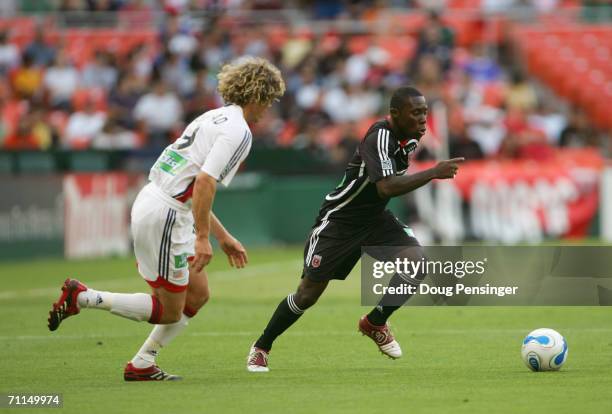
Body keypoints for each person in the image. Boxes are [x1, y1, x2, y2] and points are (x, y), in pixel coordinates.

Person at [47, 57, 286, 381]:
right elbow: (204, 183)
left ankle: (143, 363)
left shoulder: (212, 118)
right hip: (166, 216)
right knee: (169, 309)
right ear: (258, 95)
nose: (268, 109)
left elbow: (193, 187)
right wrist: (203, 238)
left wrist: (222, 236)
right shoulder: (239, 131)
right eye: (269, 101)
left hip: (163, 202)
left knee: (198, 294)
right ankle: (84, 297)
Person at [246, 86, 464, 372]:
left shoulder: (410, 138)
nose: (423, 119)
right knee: (307, 294)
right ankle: (261, 347)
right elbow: (386, 186)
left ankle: (375, 322)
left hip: (374, 218)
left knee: (416, 263)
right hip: (340, 221)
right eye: (416, 112)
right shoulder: (379, 137)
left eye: (424, 112)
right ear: (395, 114)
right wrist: (433, 172)